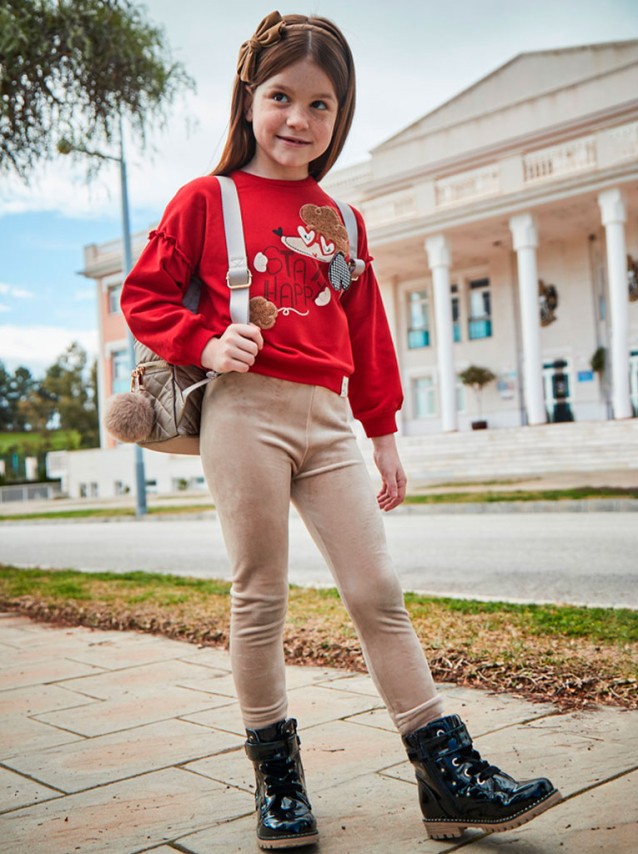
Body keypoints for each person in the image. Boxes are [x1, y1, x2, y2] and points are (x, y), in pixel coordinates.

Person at [121, 11, 562, 850]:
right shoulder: (206, 201)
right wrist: (207, 340)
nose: (298, 120)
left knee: (377, 593)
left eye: (321, 105)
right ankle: (277, 778)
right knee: (260, 596)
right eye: (282, 97)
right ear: (250, 98)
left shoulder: (345, 221)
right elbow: (143, 295)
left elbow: (368, 337)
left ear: (340, 115)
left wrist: (384, 434)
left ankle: (444, 775)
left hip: (329, 425)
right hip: (245, 412)